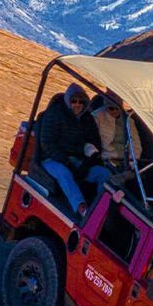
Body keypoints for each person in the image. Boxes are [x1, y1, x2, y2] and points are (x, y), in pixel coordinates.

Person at [36, 83, 113, 218]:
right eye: (74, 101)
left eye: (81, 102)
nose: (77, 105)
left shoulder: (87, 119)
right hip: (52, 159)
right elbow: (47, 144)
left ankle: (99, 211)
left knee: (104, 174)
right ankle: (81, 207)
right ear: (68, 100)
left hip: (77, 159)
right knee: (64, 173)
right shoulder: (55, 114)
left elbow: (95, 142)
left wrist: (89, 161)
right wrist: (67, 162)